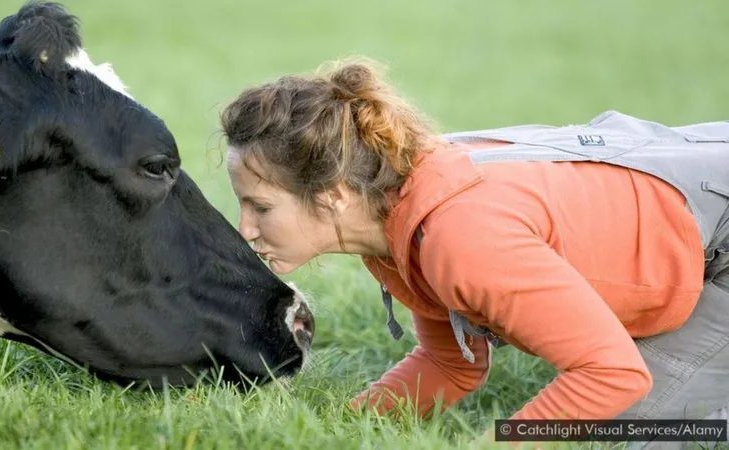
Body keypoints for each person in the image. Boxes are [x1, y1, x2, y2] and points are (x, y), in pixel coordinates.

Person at [220, 58, 729, 422]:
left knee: (636, 422)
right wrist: (344, 426)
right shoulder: (389, 214)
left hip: (718, 237)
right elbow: (451, 364)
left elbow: (612, 373)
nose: (245, 230)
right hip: (698, 217)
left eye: (261, 207)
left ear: (332, 196)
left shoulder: (461, 240)